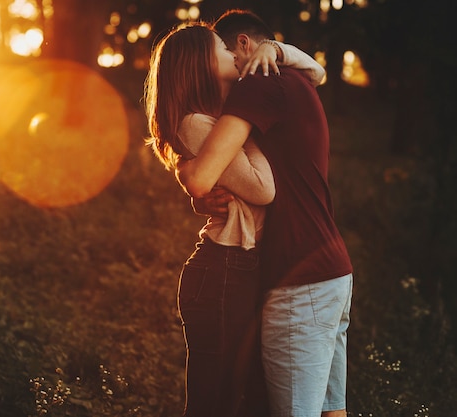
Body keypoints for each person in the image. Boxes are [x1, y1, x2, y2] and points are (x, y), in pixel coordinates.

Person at [144, 21, 327, 417]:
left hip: (239, 268)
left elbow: (316, 73)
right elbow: (264, 189)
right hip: (223, 270)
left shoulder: (217, 116)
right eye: (219, 48)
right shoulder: (199, 123)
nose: (230, 51)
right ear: (199, 64)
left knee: (243, 400)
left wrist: (276, 49)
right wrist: (246, 128)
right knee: (216, 404)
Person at [177, 9, 353, 417]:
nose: (224, 57)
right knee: (332, 410)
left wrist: (187, 172)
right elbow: (319, 71)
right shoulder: (294, 79)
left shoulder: (256, 83)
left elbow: (206, 176)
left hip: (298, 278)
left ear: (243, 46)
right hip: (331, 272)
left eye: (223, 47)